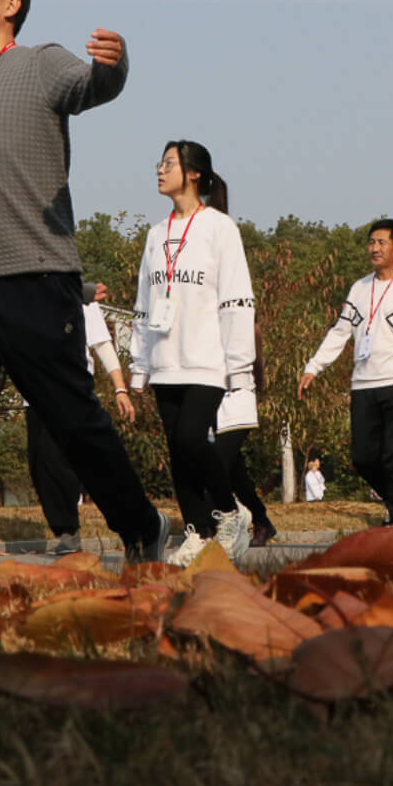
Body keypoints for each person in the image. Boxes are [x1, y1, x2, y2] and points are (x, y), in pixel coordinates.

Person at [0, 0, 169, 571]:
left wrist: (115, 65)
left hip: (36, 275)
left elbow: (91, 88)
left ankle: (141, 525)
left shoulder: (41, 62)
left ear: (11, 5)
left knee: (71, 420)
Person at [131, 139, 256, 567]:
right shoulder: (155, 235)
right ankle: (197, 531)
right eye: (160, 163)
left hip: (207, 361)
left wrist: (239, 368)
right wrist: (139, 365)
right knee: (178, 451)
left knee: (191, 438)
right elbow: (144, 304)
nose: (159, 170)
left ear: (195, 173)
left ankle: (229, 513)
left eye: (168, 164)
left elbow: (237, 299)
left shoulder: (220, 229)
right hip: (166, 360)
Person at [300, 219, 393, 525]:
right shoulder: (359, 288)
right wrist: (314, 366)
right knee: (362, 457)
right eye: (371, 242)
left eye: (381, 243)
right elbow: (340, 331)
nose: (374, 248)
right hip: (364, 383)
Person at [29, 285, 136, 555]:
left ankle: (128, 523)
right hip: (33, 392)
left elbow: (102, 344)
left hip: (70, 389)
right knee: (39, 464)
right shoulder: (23, 298)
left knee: (62, 459)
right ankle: (65, 531)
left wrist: (120, 388)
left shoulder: (79, 295)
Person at [214, 323, 278, 547]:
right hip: (214, 403)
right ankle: (261, 520)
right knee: (235, 474)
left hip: (239, 401)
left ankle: (229, 518)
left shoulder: (247, 324)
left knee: (217, 464)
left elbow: (257, 362)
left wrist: (257, 386)